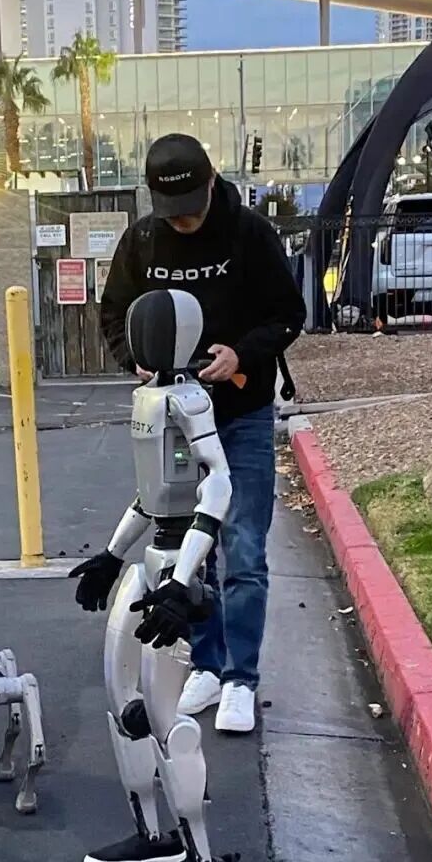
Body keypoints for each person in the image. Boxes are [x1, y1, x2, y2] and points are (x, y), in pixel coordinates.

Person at [100, 133, 306, 734]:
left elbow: (288, 314)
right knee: (188, 546)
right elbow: (114, 311)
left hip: (240, 411)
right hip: (174, 418)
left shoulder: (249, 234)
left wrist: (239, 351)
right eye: (173, 210)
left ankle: (242, 678)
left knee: (242, 547)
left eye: (193, 203)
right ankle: (208, 665)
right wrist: (131, 355)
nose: (184, 219)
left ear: (212, 181)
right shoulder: (141, 239)